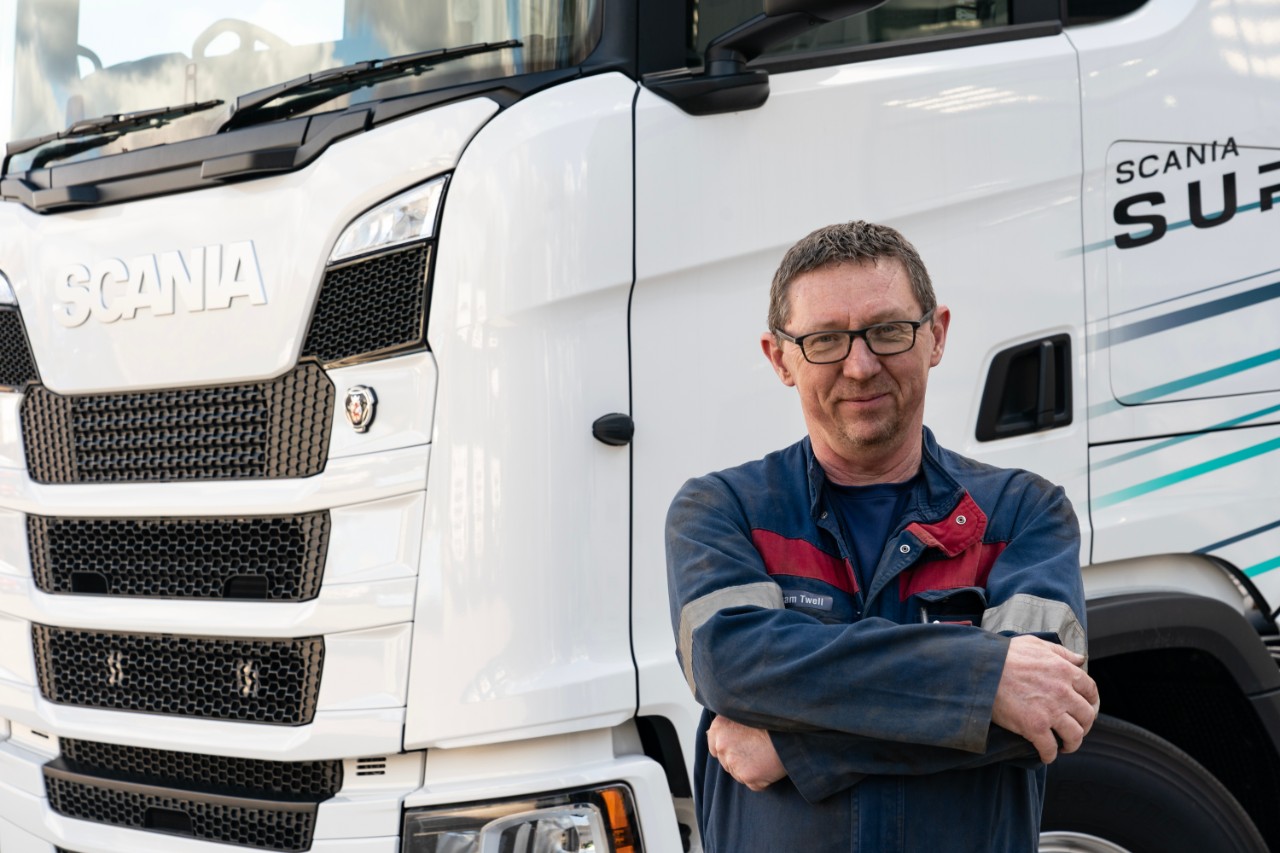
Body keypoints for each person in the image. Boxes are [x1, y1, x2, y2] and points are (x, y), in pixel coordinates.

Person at [665, 221, 1099, 852]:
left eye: (888, 331)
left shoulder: (1023, 512)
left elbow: (1046, 712)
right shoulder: (721, 510)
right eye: (825, 340)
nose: (861, 366)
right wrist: (985, 679)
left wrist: (793, 740)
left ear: (937, 336)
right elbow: (731, 666)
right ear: (780, 357)